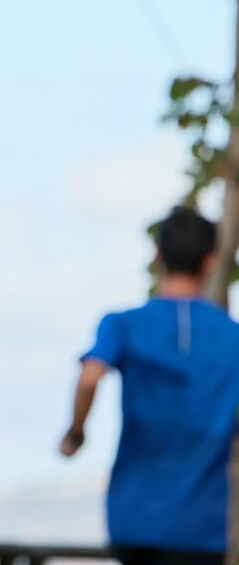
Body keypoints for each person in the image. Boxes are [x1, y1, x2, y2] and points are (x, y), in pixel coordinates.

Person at [59, 205, 239, 565]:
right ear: (210, 262)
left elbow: (90, 376)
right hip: (200, 527)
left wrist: (76, 432)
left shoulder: (122, 324)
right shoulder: (232, 337)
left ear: (158, 257)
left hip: (132, 519)